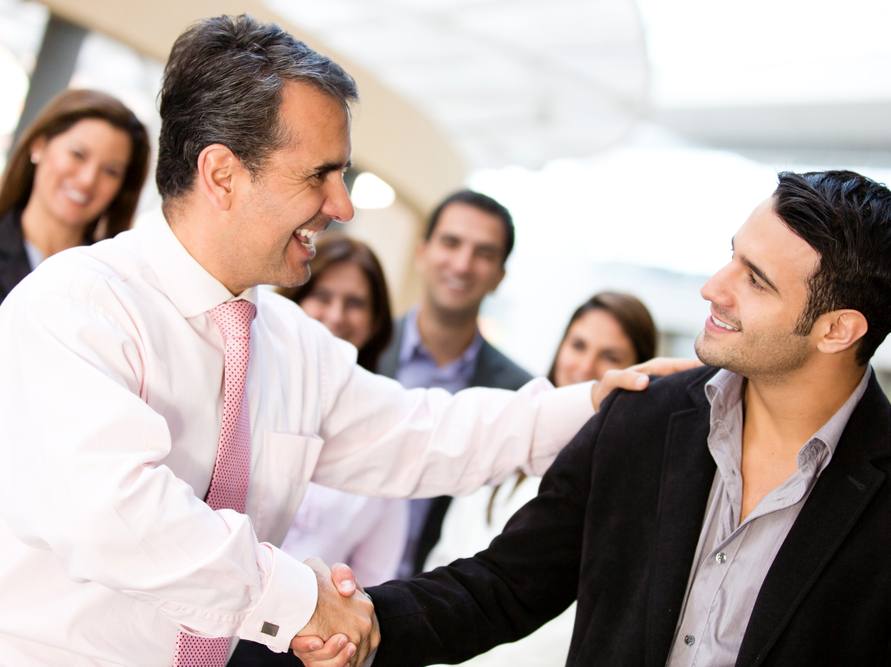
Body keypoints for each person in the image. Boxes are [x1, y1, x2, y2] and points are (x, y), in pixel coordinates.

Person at [0, 15, 690, 667]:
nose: (343, 205)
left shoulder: (291, 343)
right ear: (222, 174)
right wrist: (300, 601)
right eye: (320, 175)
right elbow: (120, 517)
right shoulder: (72, 308)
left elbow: (424, 434)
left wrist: (596, 405)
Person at [298, 170, 891, 667]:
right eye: (732, 254)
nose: (713, 287)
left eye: (755, 279)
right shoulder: (644, 416)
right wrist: (365, 622)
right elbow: (502, 586)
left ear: (838, 328)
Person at [422, 292, 658, 667]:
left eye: (610, 356)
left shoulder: (639, 480)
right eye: (578, 345)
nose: (585, 366)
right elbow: (445, 557)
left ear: (638, 369)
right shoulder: (512, 433)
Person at [376, 190, 534, 581]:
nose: (463, 264)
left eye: (483, 253)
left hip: (429, 602)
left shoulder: (517, 395)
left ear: (499, 276)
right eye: (451, 243)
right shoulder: (362, 352)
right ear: (422, 252)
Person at [276, 233, 406, 586]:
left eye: (355, 303)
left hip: (306, 636)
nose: (335, 316)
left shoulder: (388, 432)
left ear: (376, 322)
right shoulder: (252, 393)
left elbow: (374, 582)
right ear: (293, 302)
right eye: (321, 296)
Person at [0, 88, 150, 303]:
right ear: (39, 145)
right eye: (78, 154)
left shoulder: (116, 287)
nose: (88, 179)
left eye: (111, 171)